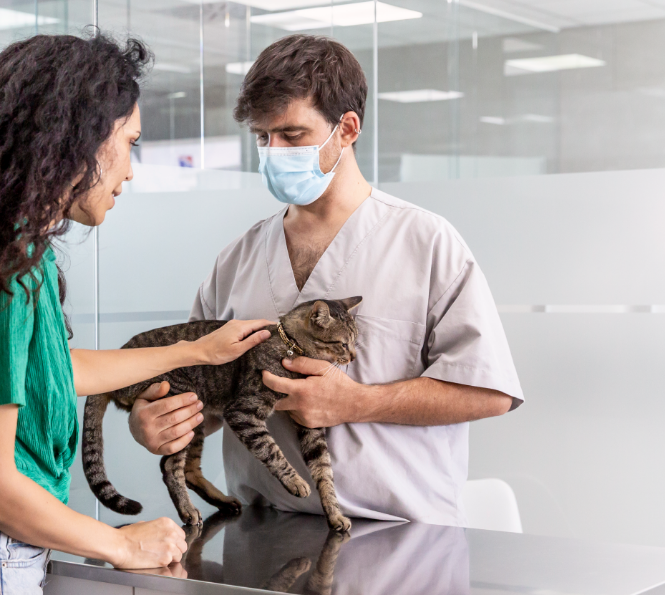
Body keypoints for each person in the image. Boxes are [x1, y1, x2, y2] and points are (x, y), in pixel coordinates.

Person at [0, 34, 274, 595]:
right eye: (130, 143)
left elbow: (51, 370)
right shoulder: (1, 272)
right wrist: (121, 544)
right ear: (80, 139)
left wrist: (197, 351)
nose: (131, 172)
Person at [128, 34, 524, 527]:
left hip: (397, 534)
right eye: (262, 137)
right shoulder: (237, 261)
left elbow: (490, 391)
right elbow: (205, 394)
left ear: (348, 129)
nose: (273, 151)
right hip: (260, 532)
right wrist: (162, 424)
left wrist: (357, 402)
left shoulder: (425, 243)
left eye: (292, 135)